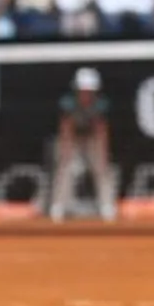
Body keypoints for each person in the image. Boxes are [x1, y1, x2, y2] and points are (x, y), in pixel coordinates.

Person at [48, 67, 118, 223]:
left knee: (102, 168)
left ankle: (107, 207)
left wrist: (103, 154)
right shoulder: (68, 103)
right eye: (83, 91)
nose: (86, 95)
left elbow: (101, 131)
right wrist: (66, 152)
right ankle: (58, 207)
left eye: (89, 91)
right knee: (65, 168)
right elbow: (66, 129)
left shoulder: (101, 104)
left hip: (92, 137)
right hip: (73, 138)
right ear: (77, 90)